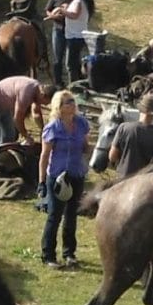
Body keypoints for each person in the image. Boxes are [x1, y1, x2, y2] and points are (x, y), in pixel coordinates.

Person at [39, 90, 92, 268]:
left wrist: (90, 152)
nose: (72, 104)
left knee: (72, 215)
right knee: (55, 215)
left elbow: (86, 146)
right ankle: (48, 255)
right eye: (67, 102)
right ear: (59, 107)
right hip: (57, 177)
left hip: (76, 174)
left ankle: (69, 253)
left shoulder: (81, 123)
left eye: (72, 101)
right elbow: (44, 156)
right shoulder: (53, 128)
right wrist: (41, 182)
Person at [0, 73, 47, 164]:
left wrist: (43, 129)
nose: (44, 105)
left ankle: (4, 162)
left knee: (10, 135)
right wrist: (26, 136)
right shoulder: (27, 92)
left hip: (5, 106)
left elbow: (36, 113)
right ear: (43, 95)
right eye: (45, 103)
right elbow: (18, 118)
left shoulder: (38, 91)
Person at [104, 92, 153, 178]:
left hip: (123, 181)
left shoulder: (124, 128)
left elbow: (112, 157)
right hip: (146, 183)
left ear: (140, 109)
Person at [46, 0, 93, 88]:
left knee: (70, 65)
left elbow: (74, 15)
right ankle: (68, 84)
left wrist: (63, 10)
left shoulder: (78, 0)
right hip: (71, 34)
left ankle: (74, 87)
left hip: (74, 36)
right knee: (69, 62)